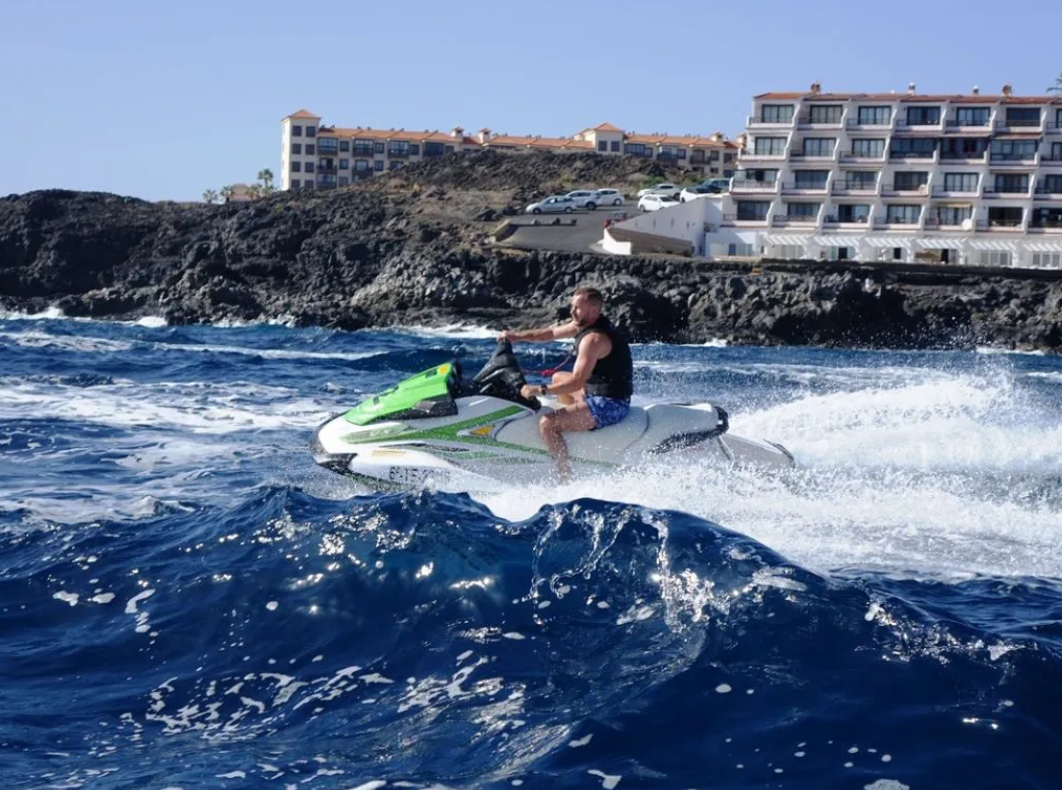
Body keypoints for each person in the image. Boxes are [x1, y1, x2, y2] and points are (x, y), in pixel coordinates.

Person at [498, 286, 633, 480]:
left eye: (577, 308)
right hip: (593, 393)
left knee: (547, 423)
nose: (572, 312)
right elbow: (549, 333)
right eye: (572, 306)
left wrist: (539, 389)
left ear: (594, 311)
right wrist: (515, 337)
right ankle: (572, 426)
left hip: (611, 404)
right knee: (558, 377)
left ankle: (565, 476)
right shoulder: (581, 325)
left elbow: (576, 382)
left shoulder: (594, 339)